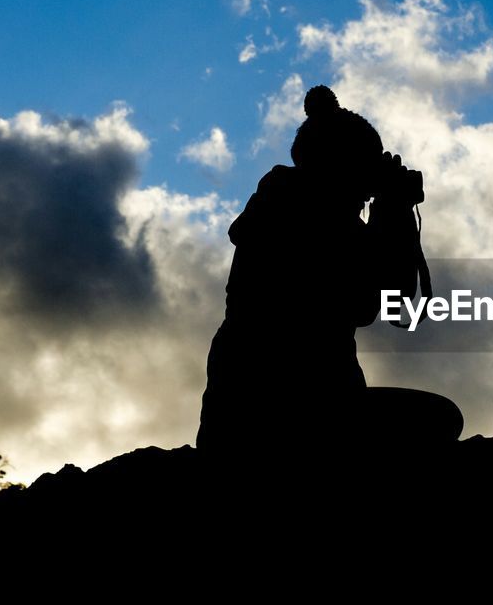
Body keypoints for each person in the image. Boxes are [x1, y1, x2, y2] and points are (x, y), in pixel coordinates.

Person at [195, 85, 461, 461]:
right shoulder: (304, 210)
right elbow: (377, 303)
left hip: (272, 412)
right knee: (439, 420)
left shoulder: (285, 205)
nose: (370, 188)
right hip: (300, 416)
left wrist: (394, 214)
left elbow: (392, 297)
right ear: (345, 166)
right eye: (368, 169)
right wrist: (392, 213)